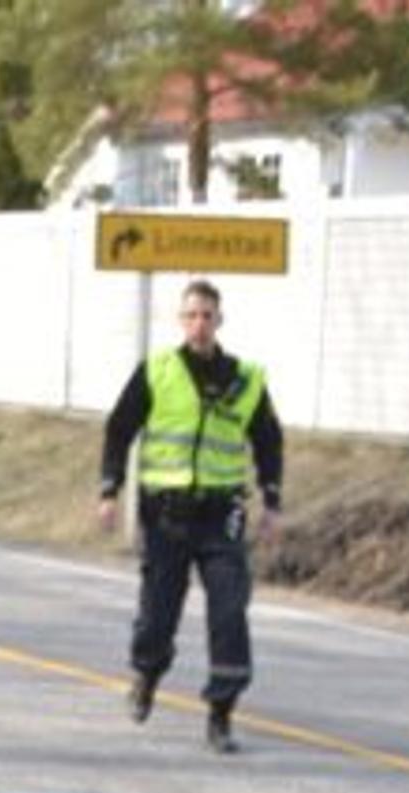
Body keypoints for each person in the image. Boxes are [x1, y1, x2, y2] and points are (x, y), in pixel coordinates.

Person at [93, 279, 283, 755]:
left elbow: (268, 440)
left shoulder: (246, 379)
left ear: (220, 321)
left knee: (230, 611)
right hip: (166, 515)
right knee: (158, 614)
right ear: (181, 321)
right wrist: (110, 490)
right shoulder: (158, 370)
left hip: (221, 513)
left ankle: (221, 713)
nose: (199, 324)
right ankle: (147, 675)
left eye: (207, 316)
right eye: (192, 315)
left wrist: (272, 501)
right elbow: (120, 427)